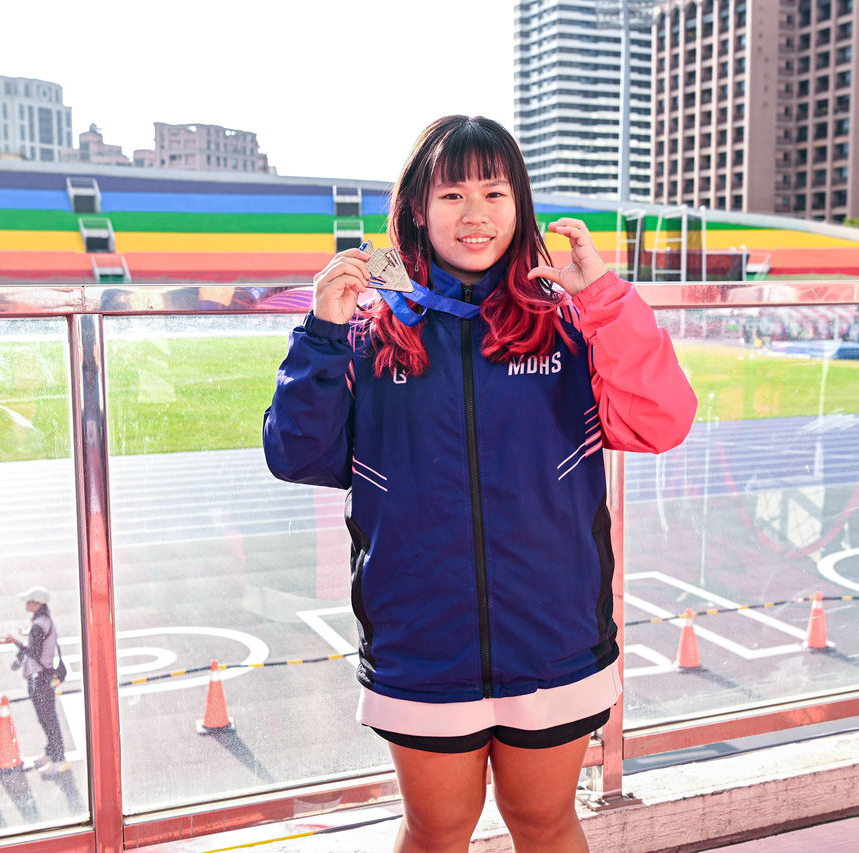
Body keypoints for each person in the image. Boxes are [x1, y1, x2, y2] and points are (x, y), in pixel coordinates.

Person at [263, 116, 696, 852]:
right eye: (452, 194)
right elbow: (298, 454)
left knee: (545, 823)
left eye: (494, 193)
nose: (475, 214)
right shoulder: (371, 326)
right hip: (421, 644)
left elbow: (660, 423)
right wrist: (322, 336)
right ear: (416, 209)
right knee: (435, 831)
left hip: (554, 639)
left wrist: (604, 301)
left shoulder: (568, 319)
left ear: (519, 205)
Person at [0, 586, 68, 774]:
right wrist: (27, 635)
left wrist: (15, 642)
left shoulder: (38, 625)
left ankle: (58, 758)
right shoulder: (43, 621)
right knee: (46, 718)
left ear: (37, 603)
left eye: (29, 601)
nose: (26, 604)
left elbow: (34, 652)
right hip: (44, 677)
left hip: (40, 679)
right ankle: (52, 752)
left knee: (48, 719)